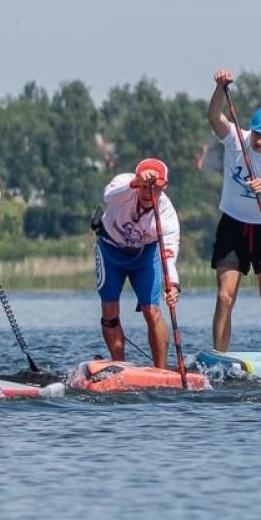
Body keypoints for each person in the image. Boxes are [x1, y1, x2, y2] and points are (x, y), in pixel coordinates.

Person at [206, 70, 261, 354]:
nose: (258, 141)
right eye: (256, 133)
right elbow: (214, 116)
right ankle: (219, 355)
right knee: (225, 295)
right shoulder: (237, 139)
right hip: (233, 225)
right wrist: (220, 88)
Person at [92, 158, 180, 369]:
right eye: (145, 188)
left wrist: (173, 285)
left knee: (152, 311)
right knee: (110, 311)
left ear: (164, 187)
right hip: (110, 251)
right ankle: (119, 365)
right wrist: (135, 182)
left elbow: (168, 254)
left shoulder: (167, 215)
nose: (149, 193)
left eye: (156, 189)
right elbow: (108, 195)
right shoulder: (125, 184)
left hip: (144, 257)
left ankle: (161, 370)